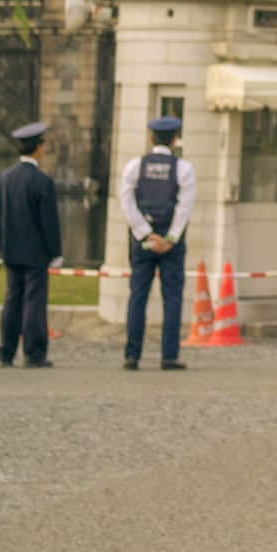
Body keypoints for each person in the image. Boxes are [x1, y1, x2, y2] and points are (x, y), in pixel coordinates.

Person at [119, 115, 198, 371]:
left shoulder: (134, 166)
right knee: (172, 297)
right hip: (170, 243)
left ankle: (132, 355)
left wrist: (144, 233)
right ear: (175, 140)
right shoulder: (183, 169)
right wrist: (170, 237)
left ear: (150, 138)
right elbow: (185, 207)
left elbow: (126, 202)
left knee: (138, 296)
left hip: (142, 242)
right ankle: (169, 355)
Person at [0, 122, 62, 369]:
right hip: (35, 252)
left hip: (11, 249)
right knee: (34, 301)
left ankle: (6, 351)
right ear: (38, 148)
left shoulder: (5, 179)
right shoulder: (42, 182)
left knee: (12, 299)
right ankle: (34, 352)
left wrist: (2, 245)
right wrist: (55, 252)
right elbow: (49, 223)